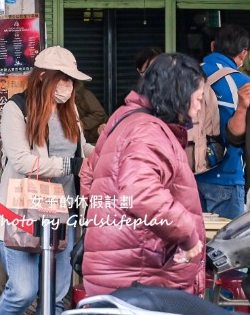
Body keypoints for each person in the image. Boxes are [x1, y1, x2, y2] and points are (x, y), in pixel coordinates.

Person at [0, 46, 93, 315]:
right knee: (23, 290)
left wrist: (106, 150)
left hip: (62, 217)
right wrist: (72, 164)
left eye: (71, 80)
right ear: (42, 77)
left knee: (54, 297)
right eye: (62, 78)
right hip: (21, 214)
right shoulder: (16, 108)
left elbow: (81, 150)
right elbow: (22, 160)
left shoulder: (71, 111)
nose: (68, 85)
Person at [79, 53, 207, 298]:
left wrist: (108, 222)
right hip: (140, 275)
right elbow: (141, 192)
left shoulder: (124, 118)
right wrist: (187, 234)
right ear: (178, 93)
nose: (200, 107)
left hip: (121, 267)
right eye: (198, 98)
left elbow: (89, 173)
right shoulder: (148, 131)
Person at [200, 24, 250, 219]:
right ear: (244, 54)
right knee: (225, 247)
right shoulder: (244, 84)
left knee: (191, 246)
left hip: (187, 177)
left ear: (213, 46)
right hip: (227, 175)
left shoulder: (185, 76)